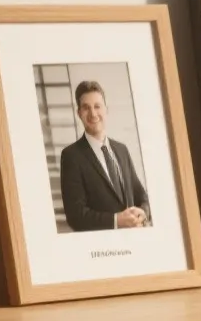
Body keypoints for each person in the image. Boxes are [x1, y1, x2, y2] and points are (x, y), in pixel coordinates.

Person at [58, 79, 150, 232]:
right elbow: (75, 215)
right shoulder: (71, 156)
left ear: (106, 109)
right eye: (86, 108)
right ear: (79, 113)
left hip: (135, 242)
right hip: (101, 250)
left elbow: (142, 196)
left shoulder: (122, 150)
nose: (93, 113)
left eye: (97, 106)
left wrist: (144, 212)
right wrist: (116, 221)